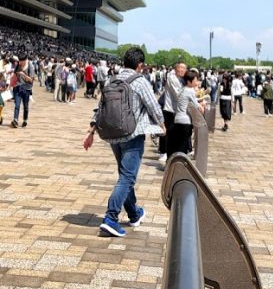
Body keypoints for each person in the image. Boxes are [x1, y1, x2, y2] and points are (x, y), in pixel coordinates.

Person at [82, 47, 164, 238]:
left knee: (125, 175)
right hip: (132, 135)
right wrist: (162, 124)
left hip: (112, 135)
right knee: (127, 177)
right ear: (140, 65)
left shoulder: (112, 80)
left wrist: (92, 131)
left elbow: (100, 108)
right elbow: (153, 106)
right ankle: (110, 218)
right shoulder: (140, 81)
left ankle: (134, 213)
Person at [168, 69, 203, 158]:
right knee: (182, 147)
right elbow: (197, 106)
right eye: (195, 80)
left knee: (178, 145)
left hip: (177, 119)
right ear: (189, 81)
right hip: (185, 121)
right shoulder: (190, 91)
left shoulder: (183, 89)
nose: (197, 82)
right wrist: (202, 105)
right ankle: (180, 166)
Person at [11, 58, 32, 128]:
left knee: (25, 106)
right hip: (17, 88)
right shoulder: (18, 66)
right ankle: (15, 120)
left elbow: (31, 79)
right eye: (19, 61)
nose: (20, 62)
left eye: (21, 61)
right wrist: (9, 85)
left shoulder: (30, 66)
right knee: (17, 105)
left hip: (26, 89)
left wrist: (23, 74)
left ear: (25, 60)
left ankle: (25, 120)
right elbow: (14, 76)